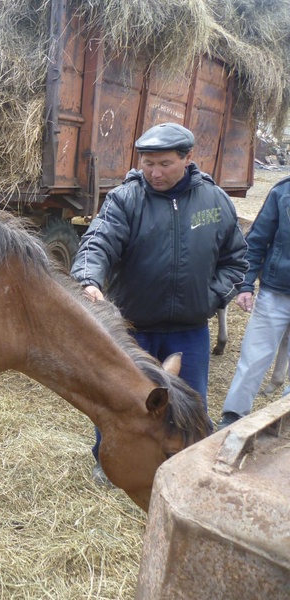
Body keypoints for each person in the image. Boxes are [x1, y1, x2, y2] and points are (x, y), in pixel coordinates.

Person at [70, 122, 248, 484]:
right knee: (119, 400)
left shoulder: (214, 201)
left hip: (189, 330)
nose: (154, 172)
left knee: (191, 401)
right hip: (133, 327)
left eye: (164, 163)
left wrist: (210, 298)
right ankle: (108, 461)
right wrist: (89, 279)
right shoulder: (127, 198)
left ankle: (187, 463)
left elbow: (236, 261)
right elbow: (98, 241)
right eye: (148, 163)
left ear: (187, 158)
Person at [218, 174, 290, 429]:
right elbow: (257, 239)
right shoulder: (283, 192)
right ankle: (233, 416)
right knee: (253, 357)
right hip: (276, 292)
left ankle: (285, 423)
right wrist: (246, 285)